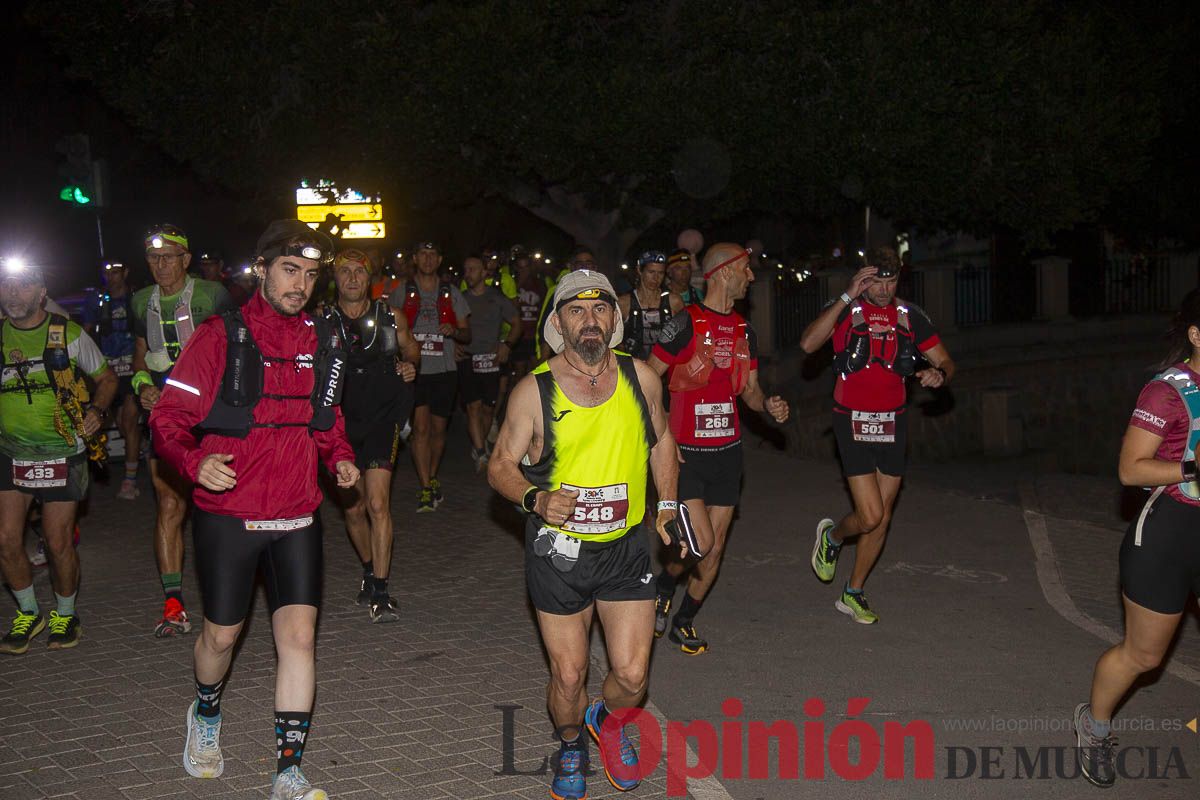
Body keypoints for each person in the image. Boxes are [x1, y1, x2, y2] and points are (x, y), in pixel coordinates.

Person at [151, 220, 358, 799]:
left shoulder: (321, 338)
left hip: (297, 513)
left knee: (298, 637)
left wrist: (339, 458)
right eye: (291, 271)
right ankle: (206, 715)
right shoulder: (221, 336)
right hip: (229, 512)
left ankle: (288, 772)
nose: (302, 284)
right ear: (261, 270)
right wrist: (195, 464)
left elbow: (326, 421)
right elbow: (167, 420)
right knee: (221, 638)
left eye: (312, 274)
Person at [488, 269, 683, 800]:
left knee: (634, 675)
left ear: (615, 321)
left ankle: (609, 722)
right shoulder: (534, 390)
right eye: (577, 310)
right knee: (569, 676)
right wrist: (535, 498)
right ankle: (572, 742)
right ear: (558, 323)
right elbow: (500, 464)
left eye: (600, 310)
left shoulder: (641, 379)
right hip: (558, 554)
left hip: (623, 550)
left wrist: (665, 505)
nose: (589, 321)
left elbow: (663, 442)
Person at [1072, 288, 1200, 788]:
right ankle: (1095, 726)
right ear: (1196, 334)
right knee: (1144, 658)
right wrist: (1191, 464)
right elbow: (1129, 469)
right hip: (1167, 532)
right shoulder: (1166, 391)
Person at [799, 246, 954, 624]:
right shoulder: (848, 311)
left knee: (881, 519)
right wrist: (848, 294)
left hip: (892, 422)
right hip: (850, 420)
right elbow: (807, 343)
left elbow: (946, 360)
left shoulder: (909, 316)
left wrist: (940, 375)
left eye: (891, 280)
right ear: (864, 277)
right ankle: (833, 538)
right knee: (869, 515)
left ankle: (853, 592)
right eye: (876, 280)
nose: (884, 289)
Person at [647, 244, 789, 653]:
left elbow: (750, 390)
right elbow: (649, 377)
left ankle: (684, 621)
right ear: (724, 272)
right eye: (745, 270)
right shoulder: (684, 323)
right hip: (685, 454)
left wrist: (769, 405)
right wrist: (659, 439)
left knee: (716, 547)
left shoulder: (744, 329)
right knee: (700, 542)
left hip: (728, 454)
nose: (750, 277)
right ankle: (662, 584)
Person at [0, 258, 116, 654]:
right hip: (10, 451)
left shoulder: (65, 333)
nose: (13, 292)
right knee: (6, 539)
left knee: (56, 541)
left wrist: (97, 412)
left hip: (63, 451)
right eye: (7, 285)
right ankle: (29, 611)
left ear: (41, 293)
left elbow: (106, 378)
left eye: (23, 285)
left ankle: (66, 613)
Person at [131, 224, 234, 637]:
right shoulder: (141, 301)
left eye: (169, 257)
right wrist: (142, 389)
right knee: (169, 507)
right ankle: (173, 603)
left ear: (186, 260)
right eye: (154, 258)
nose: (160, 264)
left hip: (212, 418)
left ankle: (229, 595)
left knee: (222, 508)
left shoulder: (212, 295)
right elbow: (140, 359)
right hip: (165, 419)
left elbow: (239, 349)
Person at [324, 248, 419, 623]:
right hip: (340, 427)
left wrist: (410, 367)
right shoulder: (323, 322)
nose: (351, 278)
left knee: (378, 504)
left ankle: (381, 589)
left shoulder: (390, 318)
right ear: (334, 279)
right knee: (353, 508)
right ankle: (367, 569)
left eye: (358, 272)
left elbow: (412, 353)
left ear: (370, 278)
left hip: (382, 421)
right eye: (344, 271)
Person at [389, 241, 471, 512]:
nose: (427, 259)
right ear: (415, 258)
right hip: (416, 372)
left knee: (438, 430)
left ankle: (432, 476)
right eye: (422, 254)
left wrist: (454, 332)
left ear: (439, 260)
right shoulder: (402, 291)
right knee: (420, 430)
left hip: (444, 369)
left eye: (432, 254)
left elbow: (466, 333)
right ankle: (425, 486)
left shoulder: (451, 293)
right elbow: (388, 329)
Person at [82, 261, 142, 499]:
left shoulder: (136, 297)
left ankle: (130, 481)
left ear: (125, 273)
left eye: (115, 272)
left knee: (128, 421)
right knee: (111, 420)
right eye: (106, 272)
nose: (111, 277)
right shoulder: (97, 300)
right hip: (107, 371)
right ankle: (135, 455)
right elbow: (85, 332)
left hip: (132, 368)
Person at [458, 254, 522, 471]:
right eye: (466, 269)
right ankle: (481, 452)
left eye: (473, 269)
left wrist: (507, 345)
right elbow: (447, 324)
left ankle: (480, 445)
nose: (468, 274)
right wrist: (454, 344)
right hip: (468, 358)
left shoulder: (497, 298)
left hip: (491, 360)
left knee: (487, 409)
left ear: (484, 273)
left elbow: (516, 323)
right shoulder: (460, 298)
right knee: (472, 406)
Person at [618, 250, 685, 360]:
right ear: (640, 270)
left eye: (660, 273)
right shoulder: (624, 303)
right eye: (651, 272)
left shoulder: (674, 301)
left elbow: (686, 336)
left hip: (665, 368)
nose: (656, 278)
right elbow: (612, 339)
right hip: (635, 368)